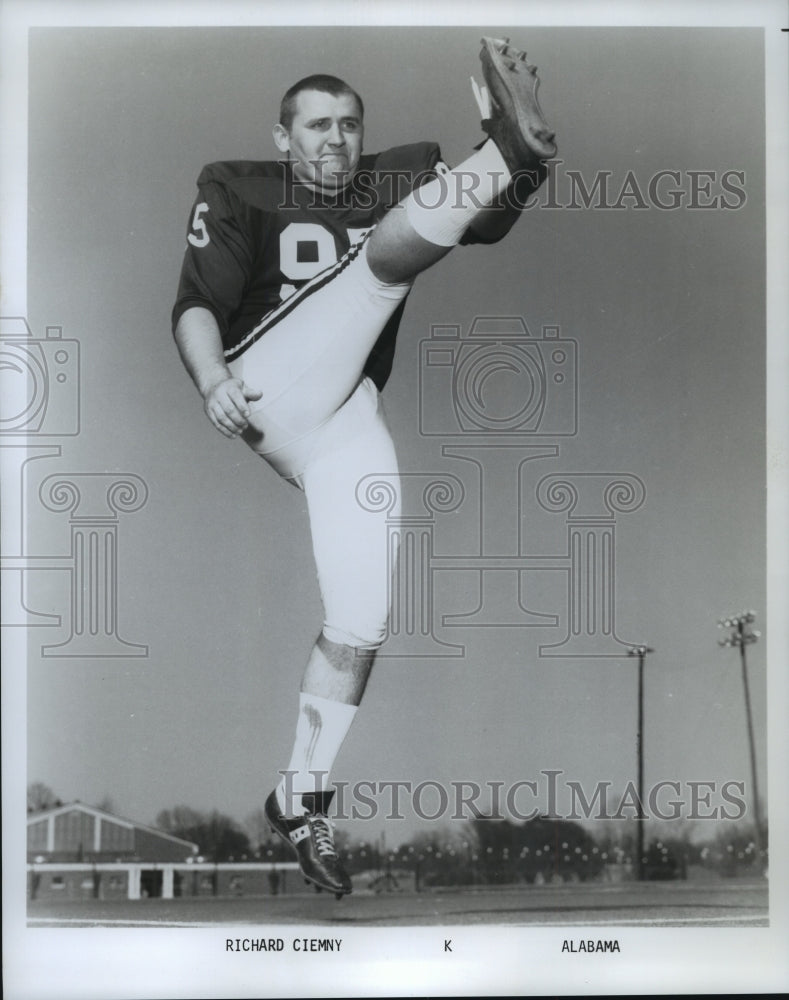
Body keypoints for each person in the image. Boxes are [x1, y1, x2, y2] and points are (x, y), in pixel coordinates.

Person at [172, 36, 556, 898]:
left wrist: (513, 168)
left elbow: (486, 221)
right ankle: (506, 142)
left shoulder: (397, 173)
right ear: (283, 139)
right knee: (378, 267)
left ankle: (299, 793)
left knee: (362, 622)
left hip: (347, 420)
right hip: (267, 386)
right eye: (315, 127)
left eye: (348, 126)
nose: (334, 141)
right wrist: (210, 382)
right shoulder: (236, 186)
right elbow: (195, 304)